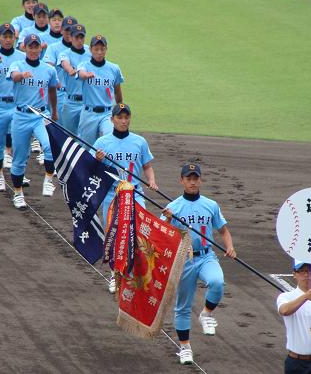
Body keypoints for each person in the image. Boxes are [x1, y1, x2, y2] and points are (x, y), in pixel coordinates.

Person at [160, 163, 236, 365]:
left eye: (195, 178)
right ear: (182, 181)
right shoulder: (173, 208)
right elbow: (161, 234)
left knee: (217, 282)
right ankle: (185, 348)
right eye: (188, 178)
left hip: (206, 256)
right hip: (183, 259)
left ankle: (206, 313)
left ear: (200, 180)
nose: (192, 182)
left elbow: (223, 230)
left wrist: (229, 246)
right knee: (183, 306)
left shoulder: (211, 205)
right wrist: (167, 220)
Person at [94, 103, 158, 294]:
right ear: (112, 119)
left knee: (139, 231)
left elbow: (147, 165)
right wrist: (97, 159)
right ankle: (115, 273)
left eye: (126, 117)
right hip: (112, 195)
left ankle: (136, 271)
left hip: (136, 192)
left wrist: (152, 181)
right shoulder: (102, 143)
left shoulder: (139, 141)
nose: (123, 121)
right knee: (113, 233)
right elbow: (91, 168)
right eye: (119, 117)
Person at [7, 33, 58, 208]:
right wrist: (21, 75)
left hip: (41, 115)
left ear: (40, 48)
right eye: (31, 46)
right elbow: (13, 76)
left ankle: (49, 180)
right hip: (21, 116)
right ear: (25, 48)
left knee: (50, 146)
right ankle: (18, 193)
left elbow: (52, 90)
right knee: (19, 157)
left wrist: (55, 111)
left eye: (36, 47)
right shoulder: (17, 64)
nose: (34, 50)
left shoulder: (49, 69)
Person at [0, 23, 25, 192]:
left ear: (14, 38)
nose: (8, 40)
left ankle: (18, 172)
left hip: (17, 104)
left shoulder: (22, 57)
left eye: (11, 37)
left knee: (20, 141)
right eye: (5, 36)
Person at [77, 34, 124, 145]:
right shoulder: (84, 65)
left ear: (106, 49)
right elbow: (81, 74)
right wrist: (86, 75)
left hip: (107, 113)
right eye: (96, 49)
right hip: (88, 114)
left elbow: (117, 90)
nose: (99, 52)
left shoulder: (114, 68)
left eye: (102, 49)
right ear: (90, 49)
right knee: (87, 148)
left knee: (110, 139)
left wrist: (120, 109)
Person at [43, 15, 76, 121]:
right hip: (60, 94)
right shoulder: (53, 48)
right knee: (61, 130)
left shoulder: (86, 50)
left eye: (72, 30)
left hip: (79, 96)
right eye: (67, 30)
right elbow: (48, 68)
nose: (69, 33)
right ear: (61, 31)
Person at [59, 23, 90, 135]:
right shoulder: (65, 53)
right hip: (70, 102)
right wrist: (70, 70)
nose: (79, 40)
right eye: (77, 37)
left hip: (87, 102)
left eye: (81, 37)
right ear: (71, 37)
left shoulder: (90, 52)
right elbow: (64, 63)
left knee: (85, 135)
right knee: (70, 136)